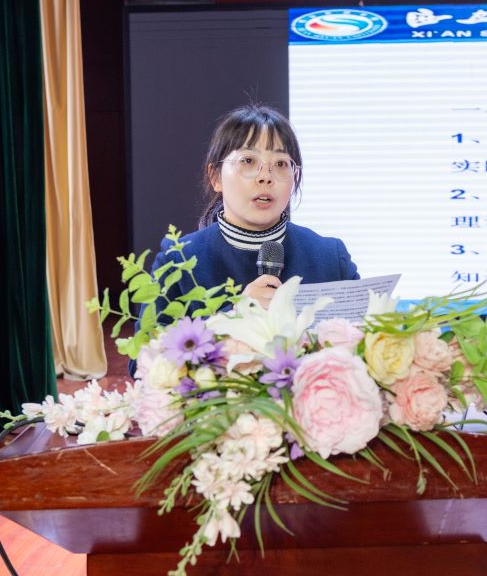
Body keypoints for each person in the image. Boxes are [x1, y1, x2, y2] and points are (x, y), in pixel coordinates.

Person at [129, 103, 359, 376]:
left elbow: (361, 351)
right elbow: (142, 365)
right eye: (248, 161)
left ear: (294, 177)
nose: (265, 177)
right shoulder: (178, 261)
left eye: (280, 164)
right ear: (215, 177)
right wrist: (231, 319)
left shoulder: (330, 257)